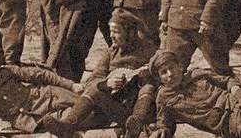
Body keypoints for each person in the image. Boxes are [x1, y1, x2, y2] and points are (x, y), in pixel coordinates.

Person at [41, 10, 160, 138]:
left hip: (144, 110)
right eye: (110, 31)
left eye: (116, 31)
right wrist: (106, 84)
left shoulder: (149, 50)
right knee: (95, 90)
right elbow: (93, 80)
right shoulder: (111, 53)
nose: (111, 36)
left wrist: (149, 74)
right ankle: (68, 125)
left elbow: (164, 70)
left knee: (148, 86)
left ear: (129, 32)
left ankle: (136, 125)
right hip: (117, 108)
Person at [0, 47, 85, 137]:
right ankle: (64, 128)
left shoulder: (8, 71)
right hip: (28, 120)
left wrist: (71, 85)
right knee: (63, 121)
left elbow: (41, 75)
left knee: (85, 103)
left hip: (45, 97)